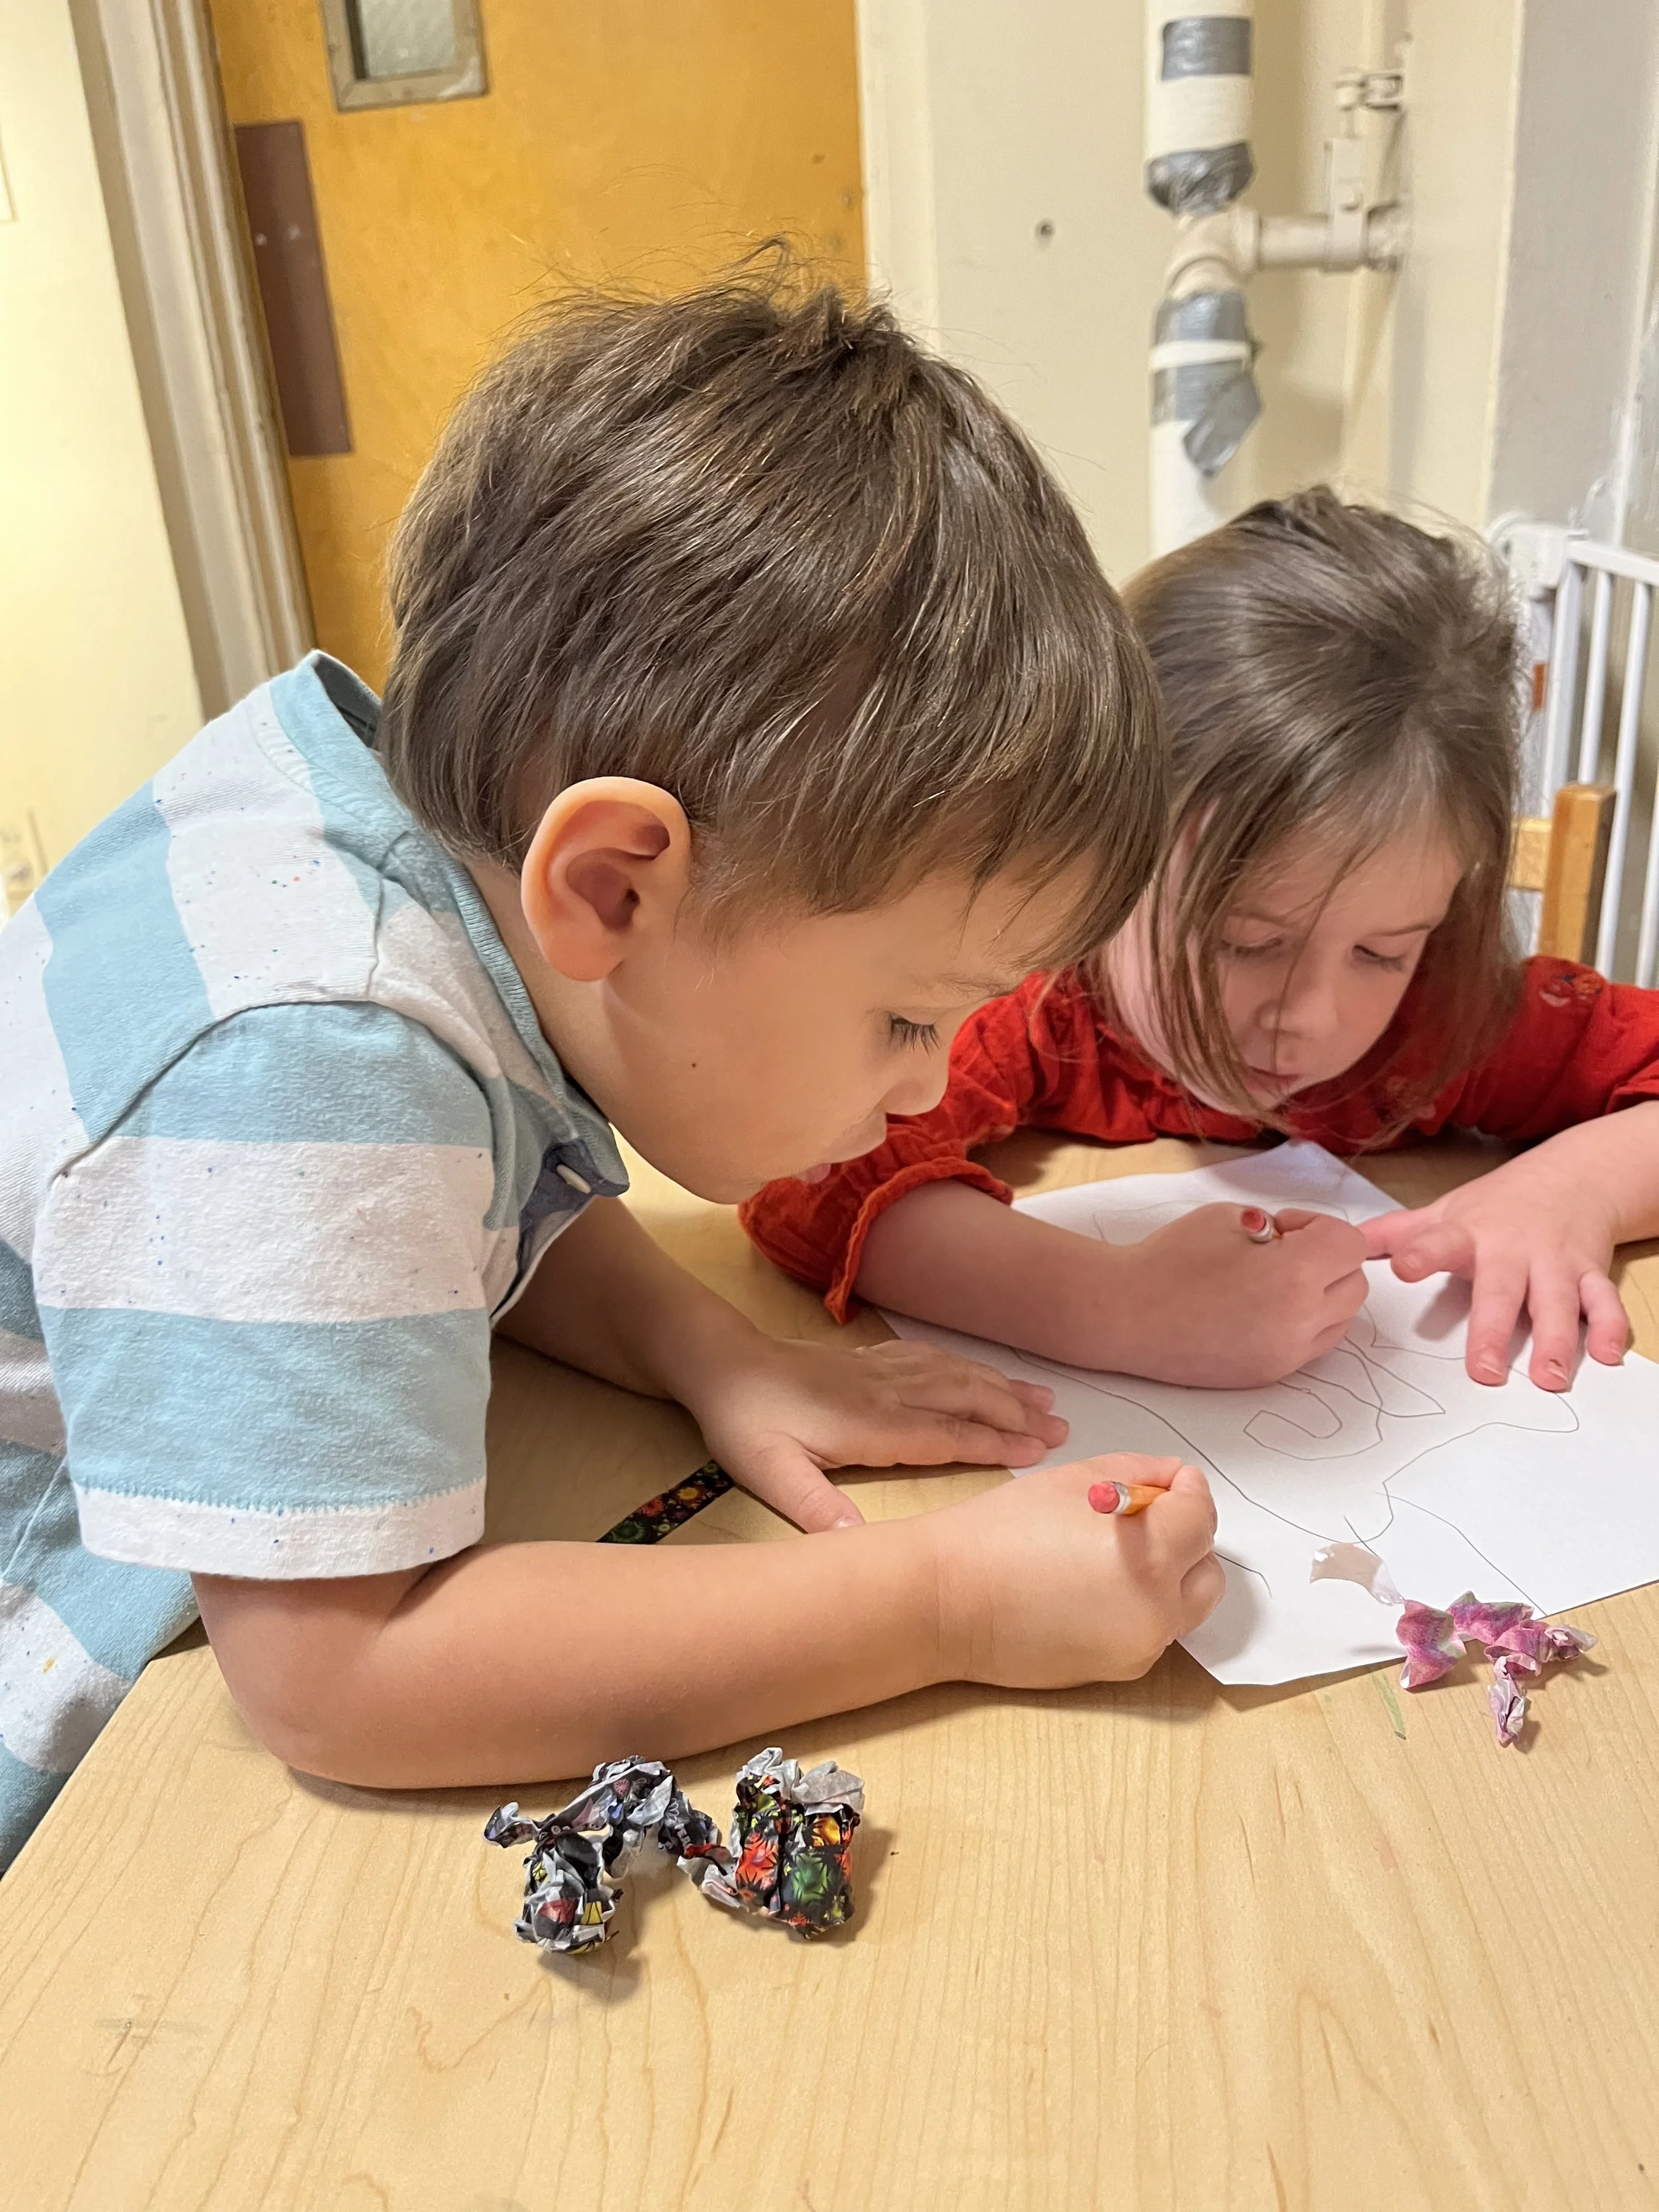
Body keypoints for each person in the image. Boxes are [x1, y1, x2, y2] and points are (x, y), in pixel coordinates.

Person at [0, 271, 1223, 1876]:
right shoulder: (312, 1049)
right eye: (912, 1016)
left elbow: (471, 1191)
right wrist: (939, 1598)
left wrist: (713, 1352)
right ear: (613, 888)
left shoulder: (412, 858)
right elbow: (340, 1671)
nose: (927, 1091)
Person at [743, 489, 1659, 1396]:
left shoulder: (1444, 1020)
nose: (1309, 1017)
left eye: (1382, 952)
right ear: (1098, 858)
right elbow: (800, 1169)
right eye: (1243, 943)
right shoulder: (1030, 989)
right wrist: (1109, 1304)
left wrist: (1574, 1188)